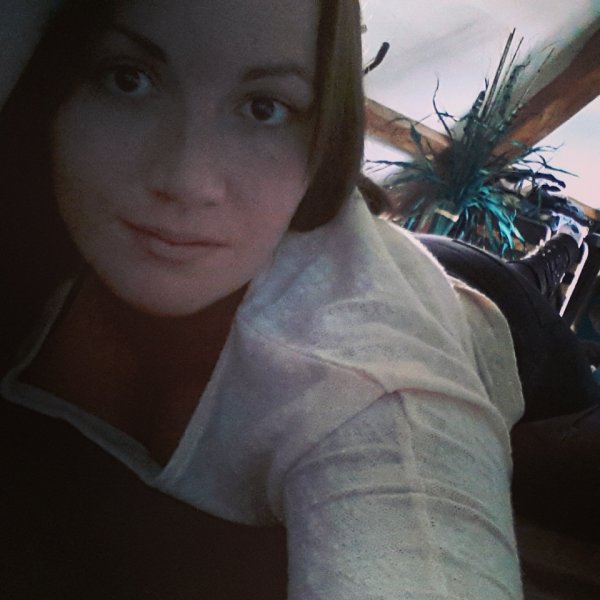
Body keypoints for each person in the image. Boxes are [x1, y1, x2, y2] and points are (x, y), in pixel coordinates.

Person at [0, 1, 525, 598]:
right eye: (129, 78)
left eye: (263, 107)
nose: (187, 181)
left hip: (491, 307)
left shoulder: (372, 375)